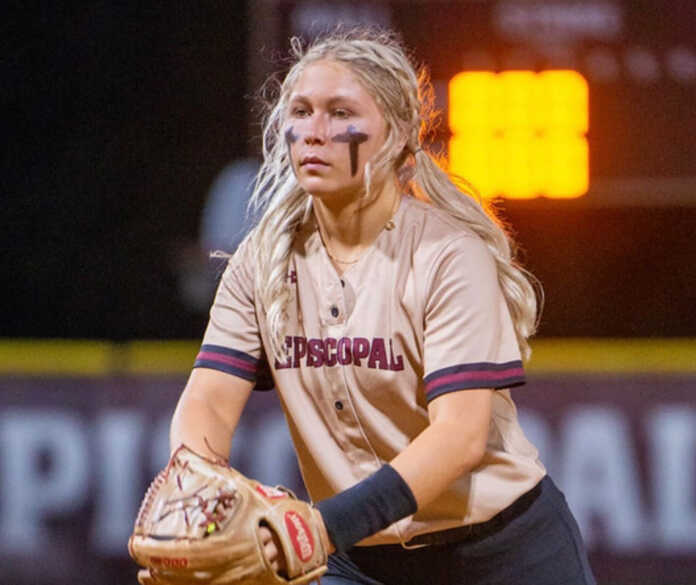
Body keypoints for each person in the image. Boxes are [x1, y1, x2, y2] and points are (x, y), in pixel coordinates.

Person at [170, 28, 597, 585]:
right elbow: (208, 401)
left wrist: (318, 531)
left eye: (339, 111)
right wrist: (194, 494)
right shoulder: (263, 260)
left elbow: (459, 438)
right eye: (301, 111)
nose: (314, 132)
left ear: (396, 135)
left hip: (500, 554)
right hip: (361, 562)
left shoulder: (448, 254)